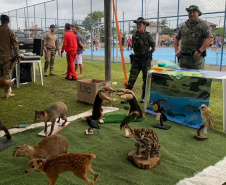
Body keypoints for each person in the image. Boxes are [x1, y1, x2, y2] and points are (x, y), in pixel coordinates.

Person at [122, 17, 156, 104]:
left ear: (144, 25)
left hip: (145, 61)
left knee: (146, 79)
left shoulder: (148, 36)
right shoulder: (134, 36)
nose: (138, 26)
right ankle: (127, 96)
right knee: (131, 79)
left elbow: (153, 48)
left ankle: (143, 97)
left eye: (140, 24)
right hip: (136, 60)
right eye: (137, 24)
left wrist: (147, 54)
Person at [174, 5, 213, 69]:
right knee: (183, 78)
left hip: (196, 59)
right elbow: (176, 38)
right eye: (190, 12)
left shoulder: (203, 25)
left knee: (197, 78)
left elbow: (209, 38)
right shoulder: (183, 25)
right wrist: (176, 51)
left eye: (194, 12)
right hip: (183, 59)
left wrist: (200, 51)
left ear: (198, 13)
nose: (191, 14)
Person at [0, 14, 20, 98]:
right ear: (8, 21)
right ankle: (7, 93)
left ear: (1, 20)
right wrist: (18, 56)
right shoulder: (10, 31)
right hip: (7, 55)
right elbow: (15, 45)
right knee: (7, 73)